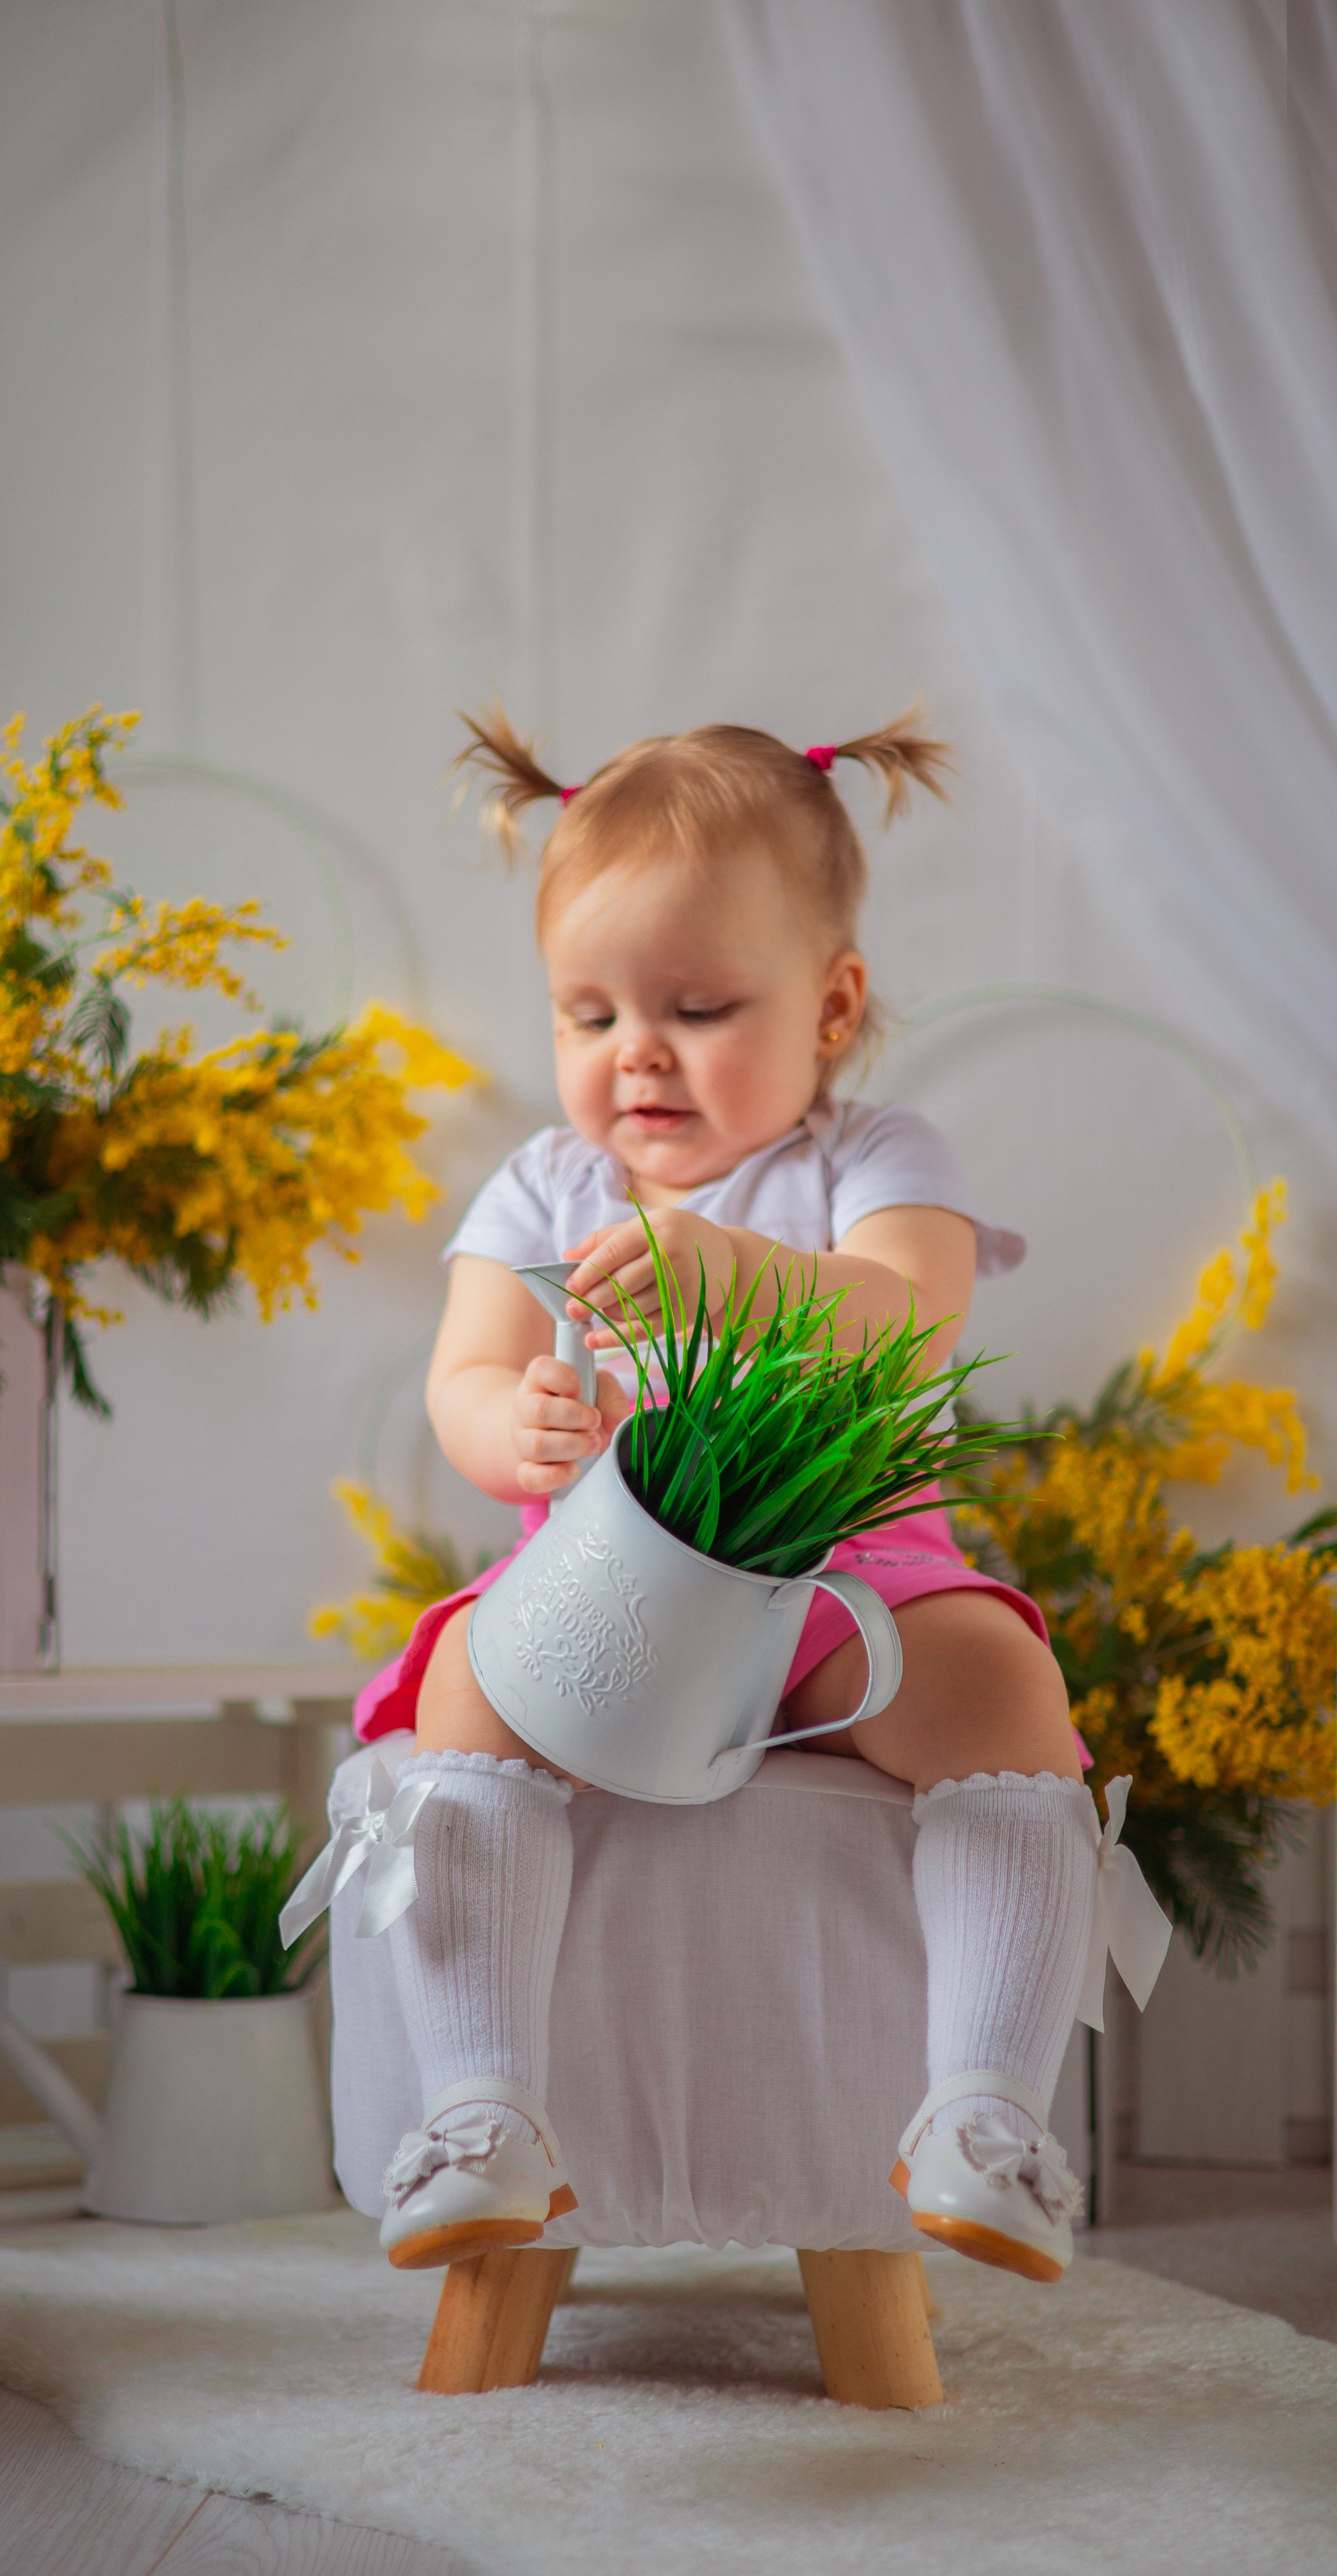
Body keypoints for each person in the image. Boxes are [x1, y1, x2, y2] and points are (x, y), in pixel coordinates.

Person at [358, 708, 1090, 2285]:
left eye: (696, 1007)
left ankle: (983, 2107)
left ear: (831, 1006)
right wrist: (519, 1429)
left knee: (1000, 1683)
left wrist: (741, 1275)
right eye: (587, 1011)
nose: (634, 1051)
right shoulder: (543, 1186)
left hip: (846, 1582)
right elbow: (464, 1377)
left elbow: (907, 1325)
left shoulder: (875, 1158)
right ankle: (482, 2112)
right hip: (604, 1594)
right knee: (467, 1696)